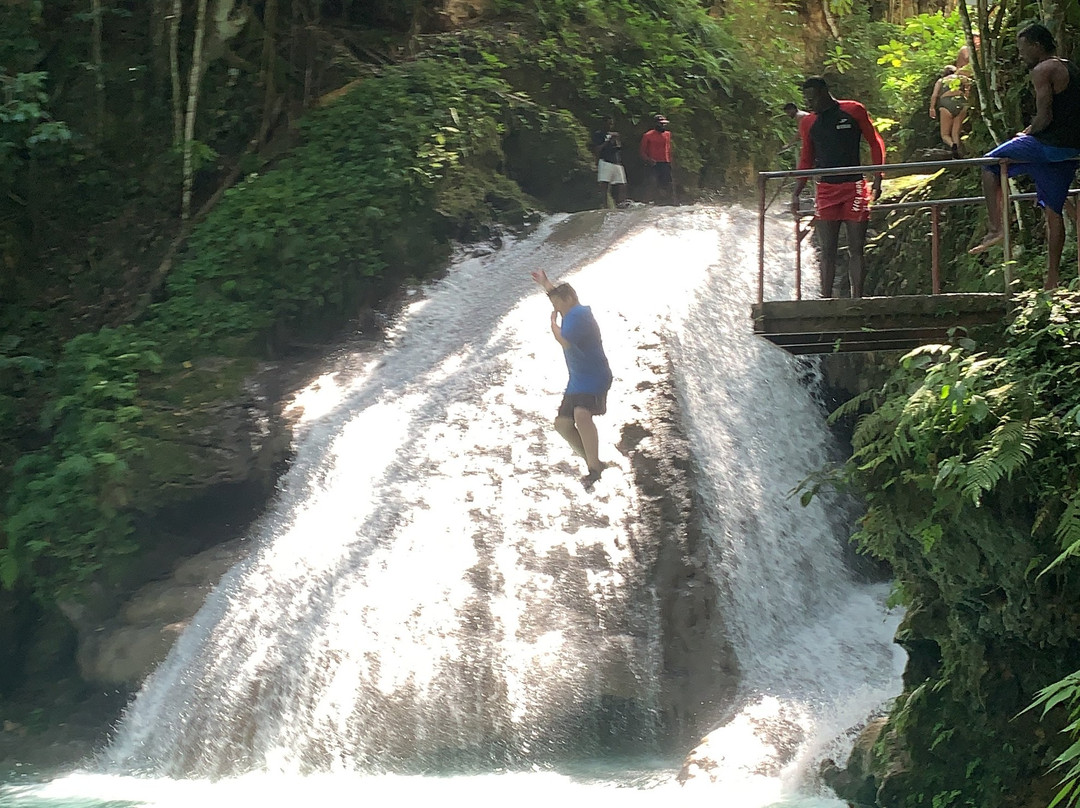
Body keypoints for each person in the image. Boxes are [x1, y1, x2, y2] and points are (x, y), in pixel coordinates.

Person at [969, 23, 1080, 289]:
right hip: (1070, 149)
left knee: (990, 164)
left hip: (1048, 145)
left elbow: (1045, 116)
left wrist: (1026, 134)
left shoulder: (1043, 70)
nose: (1020, 55)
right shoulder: (1070, 66)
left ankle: (997, 227)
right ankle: (1052, 281)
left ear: (1036, 46)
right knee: (1053, 213)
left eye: (1023, 49)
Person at [790, 76, 886, 299]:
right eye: (806, 99)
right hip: (826, 190)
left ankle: (857, 299)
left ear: (824, 92)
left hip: (854, 187)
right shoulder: (809, 122)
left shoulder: (853, 110)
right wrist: (796, 192)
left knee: (856, 248)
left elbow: (875, 141)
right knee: (827, 250)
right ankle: (825, 300)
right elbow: (806, 159)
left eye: (812, 97)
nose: (809, 103)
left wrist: (878, 176)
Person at [530, 269, 613, 490]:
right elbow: (557, 295)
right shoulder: (569, 311)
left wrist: (553, 326)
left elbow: (564, 341)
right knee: (562, 425)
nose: (556, 310)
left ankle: (594, 470)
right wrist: (545, 283)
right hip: (577, 379)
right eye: (554, 306)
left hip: (595, 378)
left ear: (570, 299)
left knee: (581, 414)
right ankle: (593, 462)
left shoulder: (580, 316)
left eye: (558, 305)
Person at [929, 65, 969, 157]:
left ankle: (952, 145)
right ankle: (958, 154)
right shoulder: (961, 78)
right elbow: (969, 86)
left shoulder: (941, 80)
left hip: (946, 104)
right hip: (961, 102)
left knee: (945, 134)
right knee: (955, 133)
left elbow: (934, 95)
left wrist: (932, 108)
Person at [591, 116, 628, 208]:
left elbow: (619, 148)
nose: (610, 125)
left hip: (616, 162)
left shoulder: (614, 134)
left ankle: (621, 204)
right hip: (605, 161)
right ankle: (604, 205)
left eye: (611, 123)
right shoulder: (599, 134)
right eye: (608, 123)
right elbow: (597, 149)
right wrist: (607, 141)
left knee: (622, 184)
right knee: (604, 184)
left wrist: (616, 140)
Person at [639, 113, 675, 204]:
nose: (663, 126)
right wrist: (648, 160)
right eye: (661, 124)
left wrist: (670, 160)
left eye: (664, 124)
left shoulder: (667, 134)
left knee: (667, 184)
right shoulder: (648, 135)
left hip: (665, 162)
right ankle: (647, 202)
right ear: (656, 124)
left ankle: (667, 202)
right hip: (653, 163)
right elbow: (642, 151)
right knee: (652, 183)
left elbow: (669, 148)